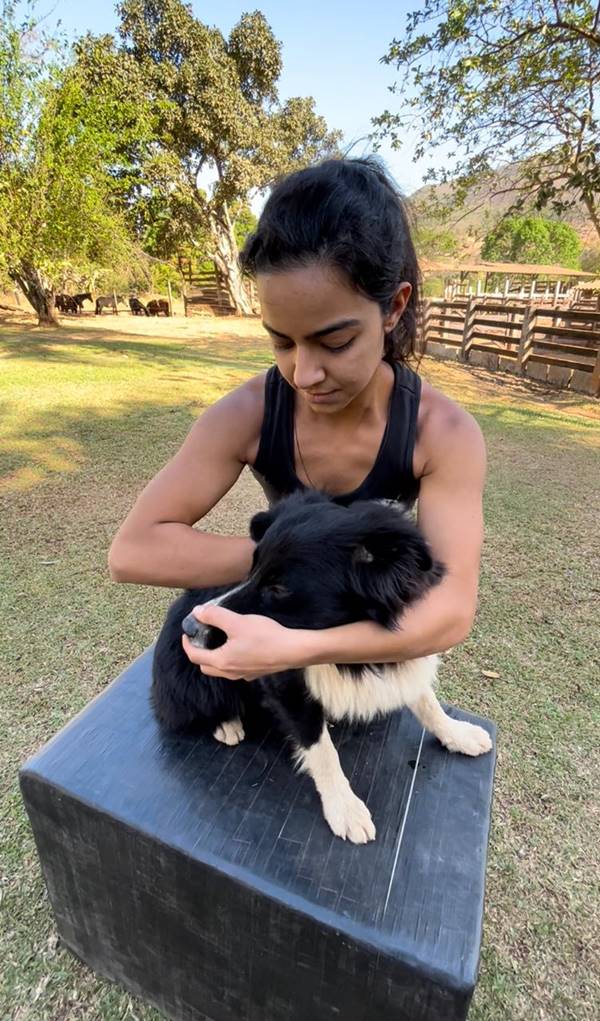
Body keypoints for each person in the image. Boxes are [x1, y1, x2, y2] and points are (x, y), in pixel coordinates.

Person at [108, 157, 486, 681]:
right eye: (281, 341)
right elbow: (131, 551)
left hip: (361, 663)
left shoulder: (441, 434)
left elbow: (450, 612)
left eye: (335, 342)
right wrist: (283, 563)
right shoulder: (246, 414)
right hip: (278, 653)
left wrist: (298, 647)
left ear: (394, 308)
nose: (304, 374)